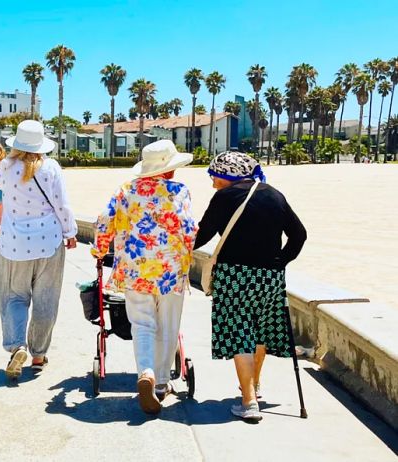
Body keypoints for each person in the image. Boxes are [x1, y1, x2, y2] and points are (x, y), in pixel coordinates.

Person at [194, 151, 307, 422]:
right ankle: (254, 386)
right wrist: (281, 261)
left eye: (215, 178)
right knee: (259, 333)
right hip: (269, 278)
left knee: (238, 333)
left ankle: (248, 401)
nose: (213, 184)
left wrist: (174, 251)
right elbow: (299, 234)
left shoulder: (224, 198)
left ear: (227, 176)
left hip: (234, 277)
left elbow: (201, 235)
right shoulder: (274, 194)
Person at [92, 140, 196, 415]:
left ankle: (146, 371)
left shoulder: (126, 190)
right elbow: (189, 228)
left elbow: (105, 220)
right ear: (171, 170)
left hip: (135, 268)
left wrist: (99, 249)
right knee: (168, 325)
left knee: (142, 324)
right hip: (170, 270)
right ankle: (161, 383)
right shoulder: (180, 191)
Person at [0, 120, 78, 379]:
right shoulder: (51, 168)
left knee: (14, 297)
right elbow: (61, 204)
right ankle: (38, 355)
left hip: (14, 245)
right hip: (48, 242)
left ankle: (17, 345)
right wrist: (71, 232)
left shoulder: (5, 169)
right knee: (46, 299)